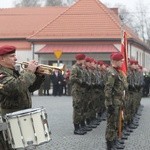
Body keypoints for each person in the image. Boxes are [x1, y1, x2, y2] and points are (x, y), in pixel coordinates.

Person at [0, 45, 45, 149]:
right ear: (2, 58)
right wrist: (29, 72)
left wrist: (38, 75)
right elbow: (15, 89)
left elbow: (29, 88)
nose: (15, 58)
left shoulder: (13, 73)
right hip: (9, 118)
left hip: (21, 115)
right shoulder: (2, 74)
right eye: (12, 56)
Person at [104, 52, 128, 150]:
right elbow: (108, 89)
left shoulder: (117, 71)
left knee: (116, 122)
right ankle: (110, 144)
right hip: (113, 102)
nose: (122, 62)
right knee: (111, 123)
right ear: (115, 61)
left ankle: (114, 141)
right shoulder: (111, 72)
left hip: (118, 101)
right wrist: (109, 104)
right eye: (121, 61)